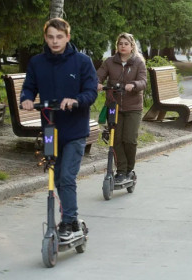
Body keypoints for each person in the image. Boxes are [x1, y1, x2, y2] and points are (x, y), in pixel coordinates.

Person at [20, 18, 98, 240]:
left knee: (66, 177)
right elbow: (28, 87)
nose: (55, 41)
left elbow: (91, 92)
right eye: (51, 37)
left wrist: (75, 100)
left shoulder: (82, 62)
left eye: (59, 37)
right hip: (49, 131)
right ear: (45, 38)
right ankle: (69, 214)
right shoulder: (37, 62)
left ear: (68, 37)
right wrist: (26, 99)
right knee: (54, 176)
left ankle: (70, 222)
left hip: (74, 131)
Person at [97, 33, 147, 184]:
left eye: (126, 43)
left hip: (133, 107)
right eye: (120, 43)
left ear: (132, 46)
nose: (123, 46)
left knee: (130, 139)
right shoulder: (110, 62)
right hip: (114, 105)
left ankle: (129, 170)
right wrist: (97, 83)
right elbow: (99, 75)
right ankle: (121, 171)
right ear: (117, 46)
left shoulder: (138, 62)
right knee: (116, 139)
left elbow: (143, 82)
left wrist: (135, 85)